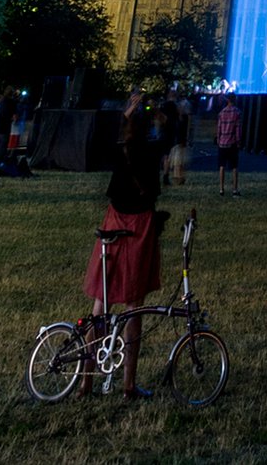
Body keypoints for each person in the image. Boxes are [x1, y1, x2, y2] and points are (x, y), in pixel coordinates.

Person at [89, 120, 163, 400]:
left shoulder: (121, 150)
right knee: (134, 306)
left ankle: (86, 378)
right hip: (140, 226)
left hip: (115, 220)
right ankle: (128, 383)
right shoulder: (150, 152)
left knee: (101, 301)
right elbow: (153, 190)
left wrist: (128, 115)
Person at [214, 95, 242, 195]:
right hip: (232, 143)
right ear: (235, 100)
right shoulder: (237, 112)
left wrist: (218, 139)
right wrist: (238, 141)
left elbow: (219, 128)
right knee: (234, 166)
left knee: (222, 165)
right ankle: (234, 189)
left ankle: (221, 189)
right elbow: (237, 129)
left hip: (222, 143)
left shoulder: (221, 113)